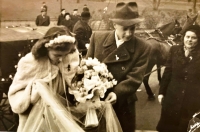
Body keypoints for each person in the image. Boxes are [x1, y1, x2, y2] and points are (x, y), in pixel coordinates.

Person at [86, 2, 151, 132]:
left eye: (132, 28)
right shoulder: (97, 38)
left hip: (123, 102)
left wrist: (116, 93)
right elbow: (87, 67)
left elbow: (135, 78)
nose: (129, 33)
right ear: (114, 24)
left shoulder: (143, 47)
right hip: (96, 101)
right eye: (124, 28)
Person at [8, 26, 84, 132]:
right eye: (57, 55)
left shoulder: (70, 58)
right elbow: (15, 95)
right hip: (36, 118)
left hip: (62, 113)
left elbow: (73, 80)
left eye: (65, 55)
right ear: (46, 48)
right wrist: (33, 94)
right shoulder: (30, 62)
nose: (61, 59)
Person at [157, 25, 200, 132]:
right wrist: (161, 92)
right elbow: (168, 72)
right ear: (183, 37)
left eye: (193, 38)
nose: (189, 40)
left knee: (186, 127)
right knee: (168, 127)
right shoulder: (174, 50)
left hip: (192, 101)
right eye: (187, 37)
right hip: (172, 97)